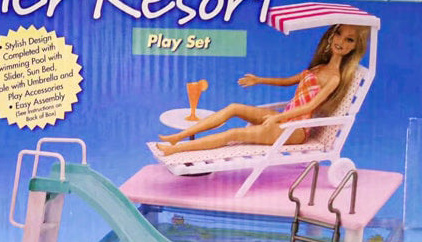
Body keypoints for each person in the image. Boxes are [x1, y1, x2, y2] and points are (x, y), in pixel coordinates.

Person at [156, 24, 369, 156]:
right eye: (339, 34)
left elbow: (310, 106)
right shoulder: (319, 67)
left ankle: (176, 149)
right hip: (286, 119)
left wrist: (278, 118)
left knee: (234, 134)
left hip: (296, 130)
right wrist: (259, 80)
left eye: (349, 40)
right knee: (234, 107)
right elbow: (287, 81)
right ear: (331, 35)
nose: (341, 41)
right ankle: (179, 136)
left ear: (354, 47)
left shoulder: (334, 77)